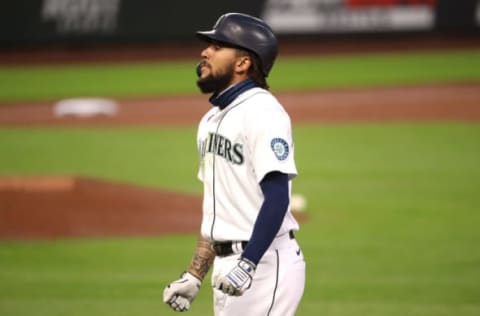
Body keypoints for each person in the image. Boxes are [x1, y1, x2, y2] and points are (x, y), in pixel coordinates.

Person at [163, 12, 305, 316]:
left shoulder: (263, 113)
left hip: (264, 266)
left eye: (217, 46)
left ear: (243, 63)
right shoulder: (211, 120)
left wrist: (249, 263)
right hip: (230, 269)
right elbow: (218, 211)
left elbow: (278, 197)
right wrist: (195, 273)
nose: (205, 52)